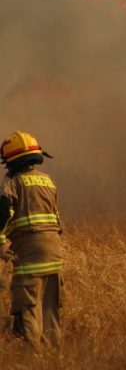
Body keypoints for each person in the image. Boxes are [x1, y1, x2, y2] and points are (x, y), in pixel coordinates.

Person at [0, 131, 62, 346]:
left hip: (30, 257)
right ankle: (54, 356)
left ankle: (33, 358)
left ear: (11, 161)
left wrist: (1, 245)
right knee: (50, 311)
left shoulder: (12, 183)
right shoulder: (48, 181)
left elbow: (3, 215)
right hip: (55, 255)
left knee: (27, 312)